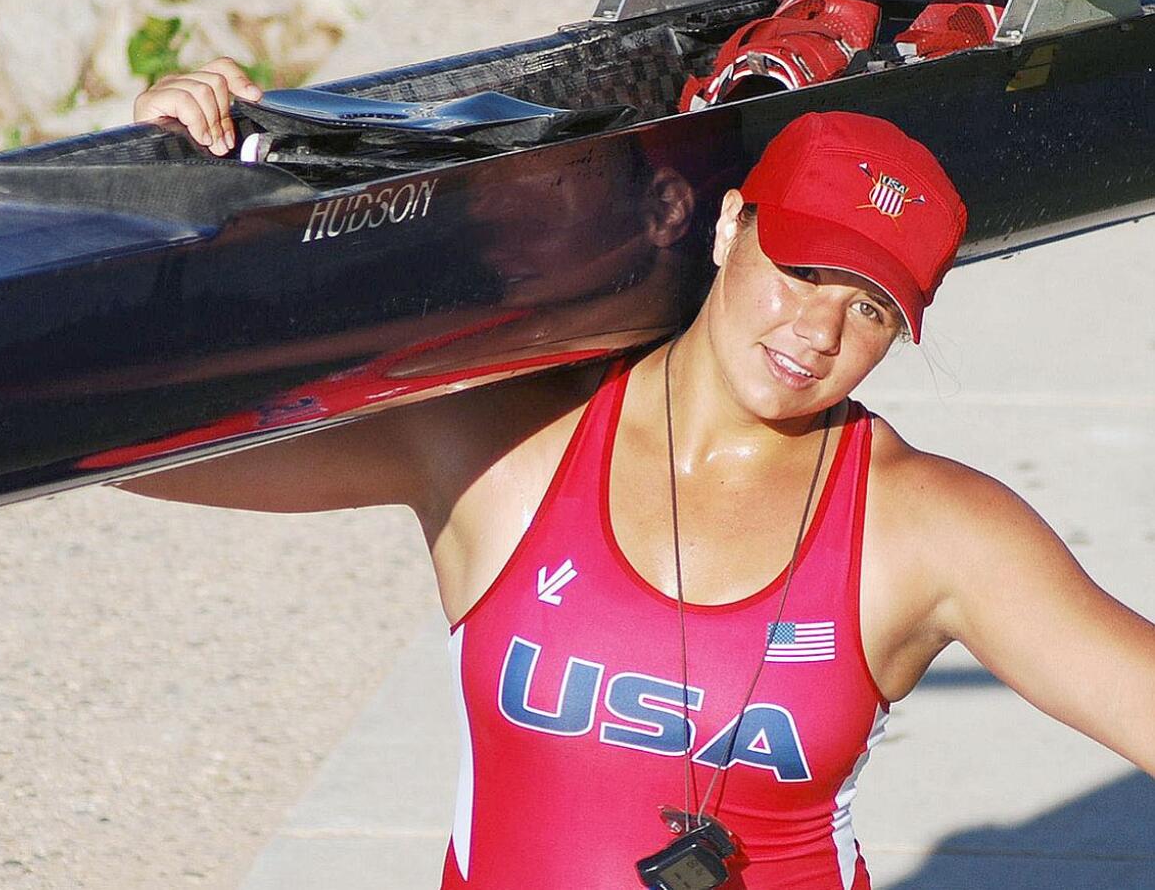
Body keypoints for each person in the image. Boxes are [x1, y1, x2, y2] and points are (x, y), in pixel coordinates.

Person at [126, 71, 1155, 889]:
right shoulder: (507, 444)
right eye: (800, 269)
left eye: (871, 310)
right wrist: (175, 193)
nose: (817, 333)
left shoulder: (927, 529)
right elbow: (130, 447)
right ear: (728, 227)